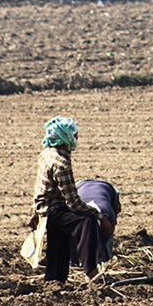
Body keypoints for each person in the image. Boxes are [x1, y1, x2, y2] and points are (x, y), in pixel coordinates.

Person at [29, 116, 110, 282]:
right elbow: (74, 203)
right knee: (86, 221)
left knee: (59, 241)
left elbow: (39, 188)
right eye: (75, 135)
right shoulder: (61, 163)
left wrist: (34, 214)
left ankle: (54, 280)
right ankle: (91, 271)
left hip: (45, 209)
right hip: (53, 210)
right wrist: (99, 216)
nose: (77, 139)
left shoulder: (46, 154)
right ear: (66, 137)